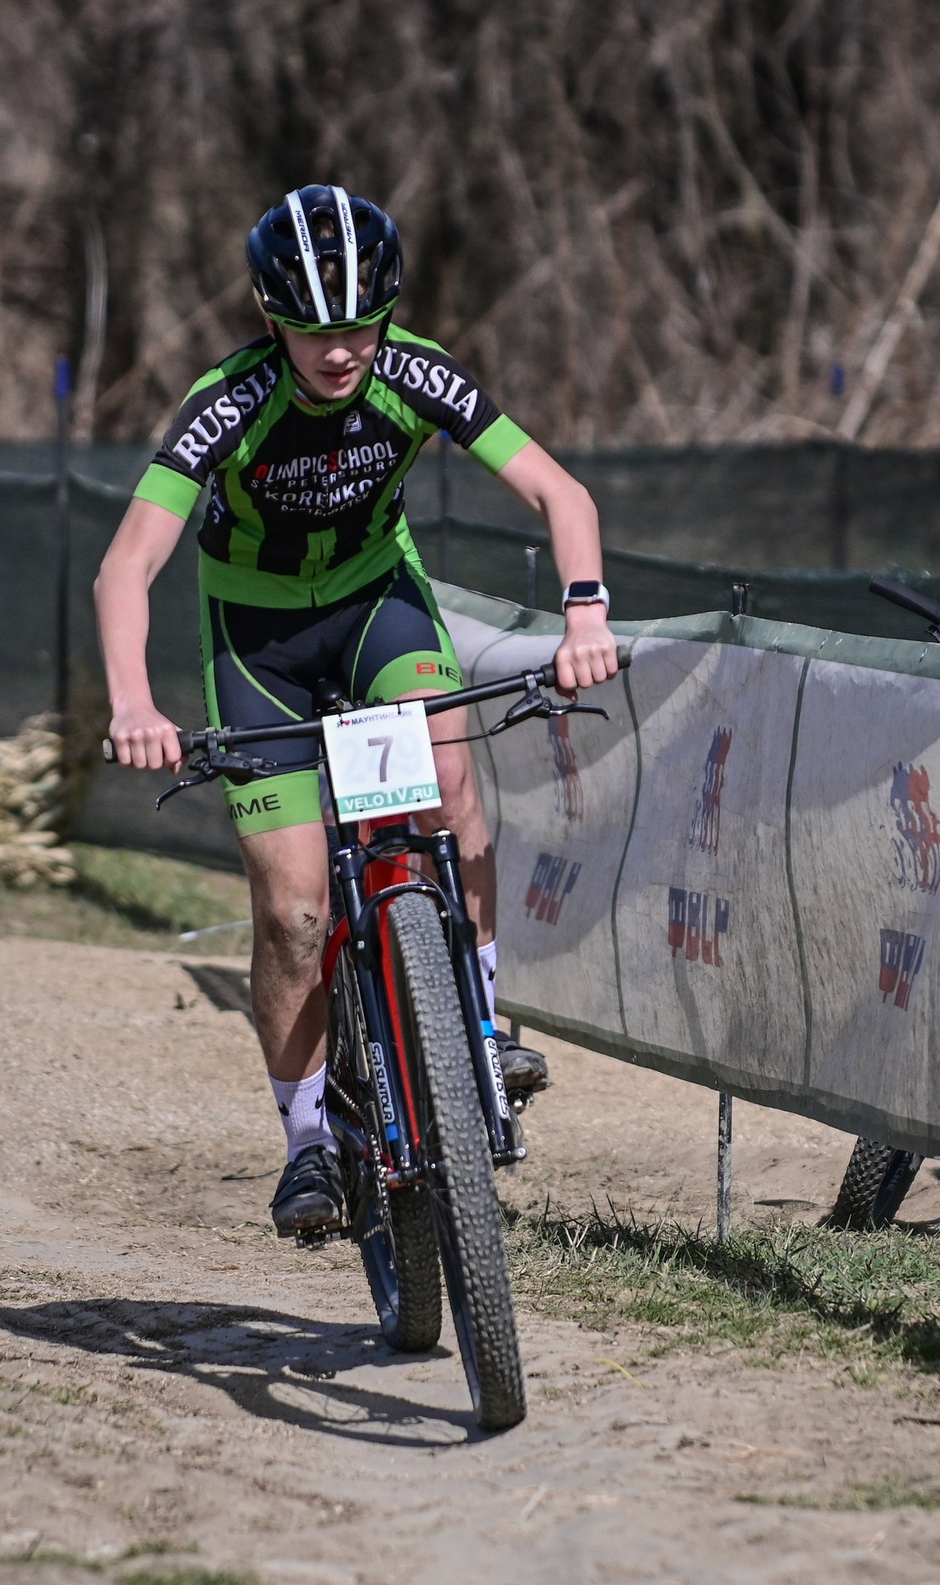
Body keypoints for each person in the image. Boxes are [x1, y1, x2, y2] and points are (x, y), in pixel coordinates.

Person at [95, 185, 619, 1238]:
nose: (339, 353)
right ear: (269, 317)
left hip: (377, 605)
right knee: (294, 912)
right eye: (312, 330)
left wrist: (584, 613)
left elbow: (561, 495)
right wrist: (131, 702)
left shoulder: (414, 372)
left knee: (447, 776)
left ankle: (472, 1018)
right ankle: (304, 1143)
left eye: (357, 327)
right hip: (260, 642)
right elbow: (127, 565)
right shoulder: (227, 403)